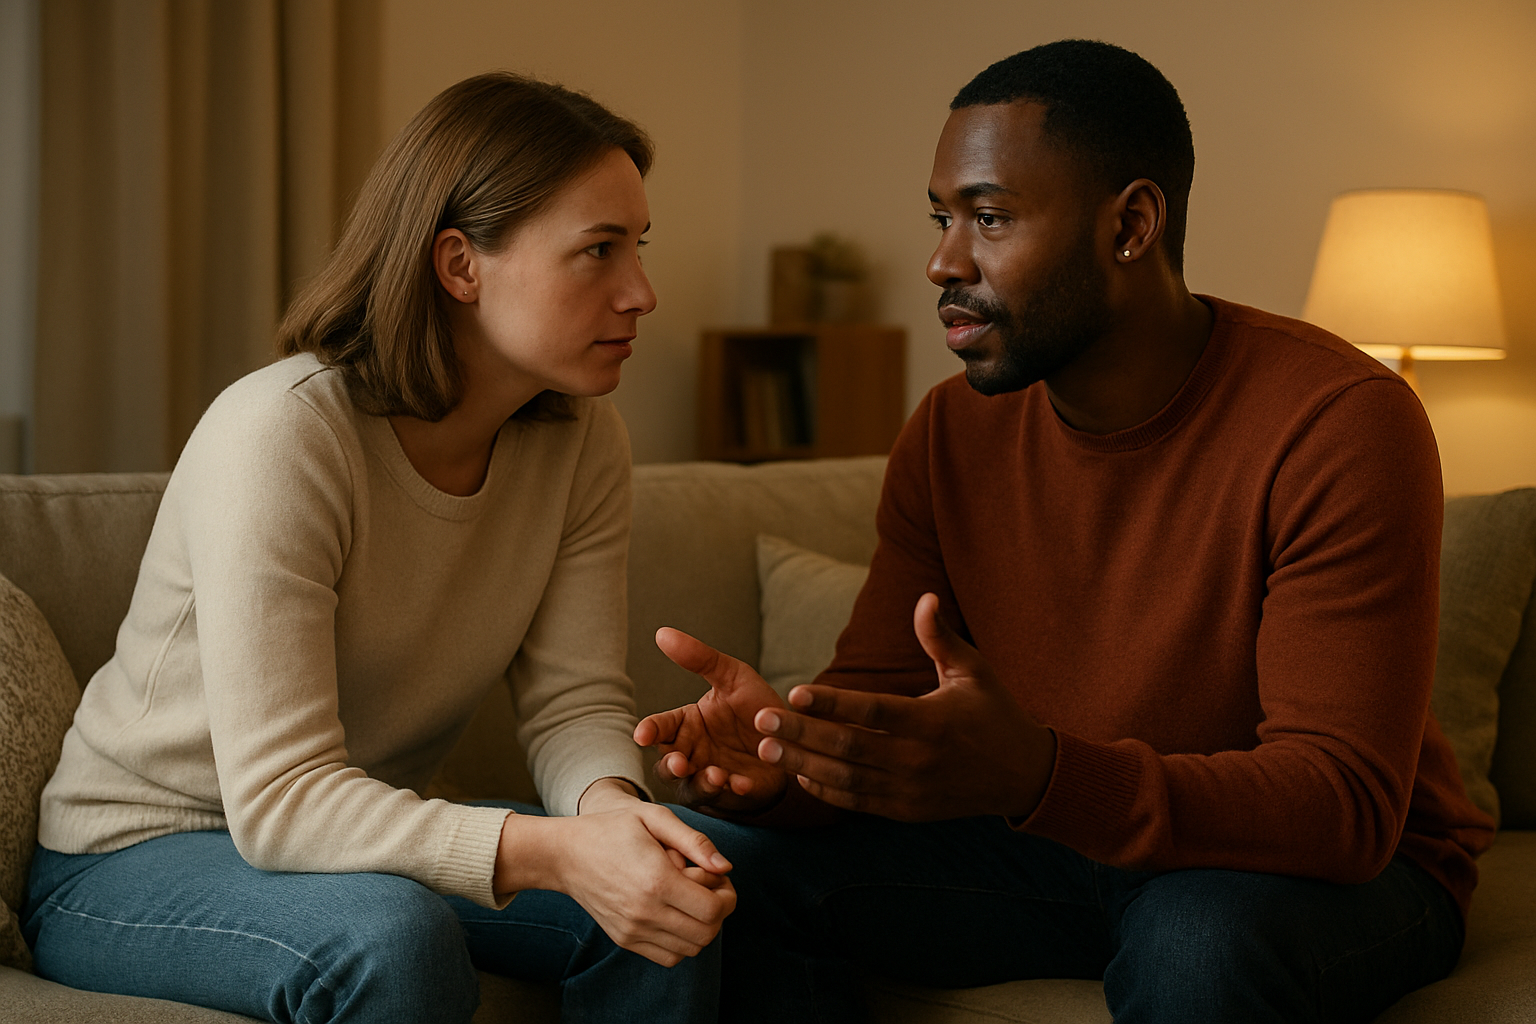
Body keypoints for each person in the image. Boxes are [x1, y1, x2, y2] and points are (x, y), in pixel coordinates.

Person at [636, 40, 1496, 1023]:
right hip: (1046, 840)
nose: (942, 260)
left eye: (990, 217)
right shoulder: (951, 431)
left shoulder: (1340, 421)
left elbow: (1341, 805)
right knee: (708, 870)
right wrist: (783, 759)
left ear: (1131, 223)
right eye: (942, 217)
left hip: (1320, 869)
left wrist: (1042, 772)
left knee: (1198, 937)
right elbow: (878, 706)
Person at [23, 72, 735, 1024]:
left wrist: (609, 816)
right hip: (132, 857)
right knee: (390, 937)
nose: (642, 292)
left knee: (671, 899)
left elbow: (574, 698)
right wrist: (552, 851)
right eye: (598, 251)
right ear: (460, 266)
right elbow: (279, 799)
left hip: (349, 850)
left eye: (637, 248)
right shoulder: (283, 435)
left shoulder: (580, 442)